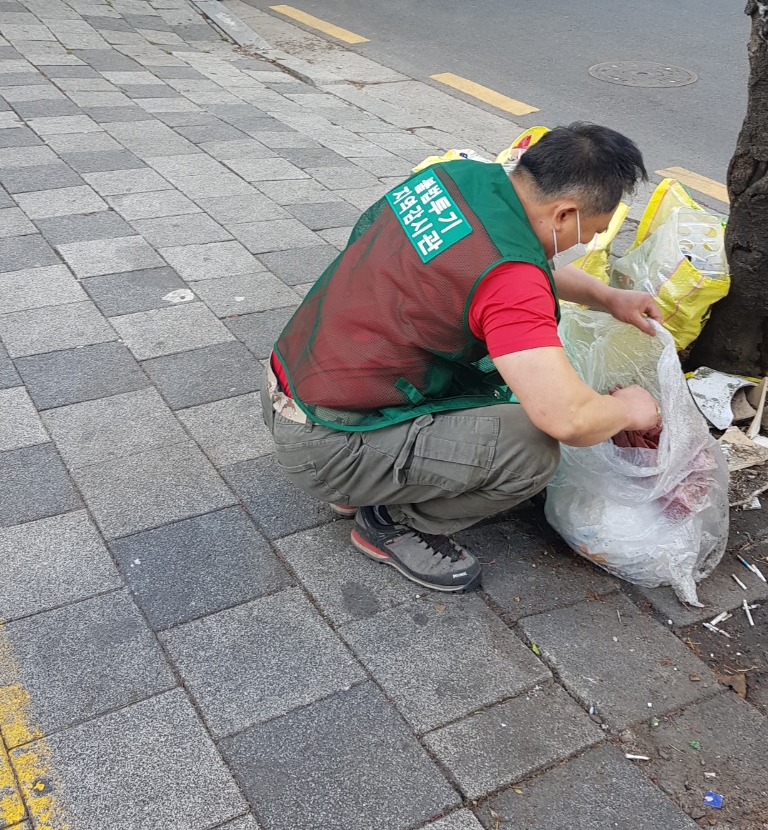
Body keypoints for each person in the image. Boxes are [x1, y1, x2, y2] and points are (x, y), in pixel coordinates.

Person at [263, 123, 663, 594]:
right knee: (532, 449)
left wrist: (606, 296)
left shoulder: (458, 179)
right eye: (592, 232)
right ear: (565, 214)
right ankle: (391, 521)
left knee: (506, 381)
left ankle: (369, 479)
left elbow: (503, 262)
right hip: (327, 443)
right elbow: (567, 417)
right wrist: (630, 410)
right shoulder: (511, 279)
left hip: (296, 386)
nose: (589, 242)